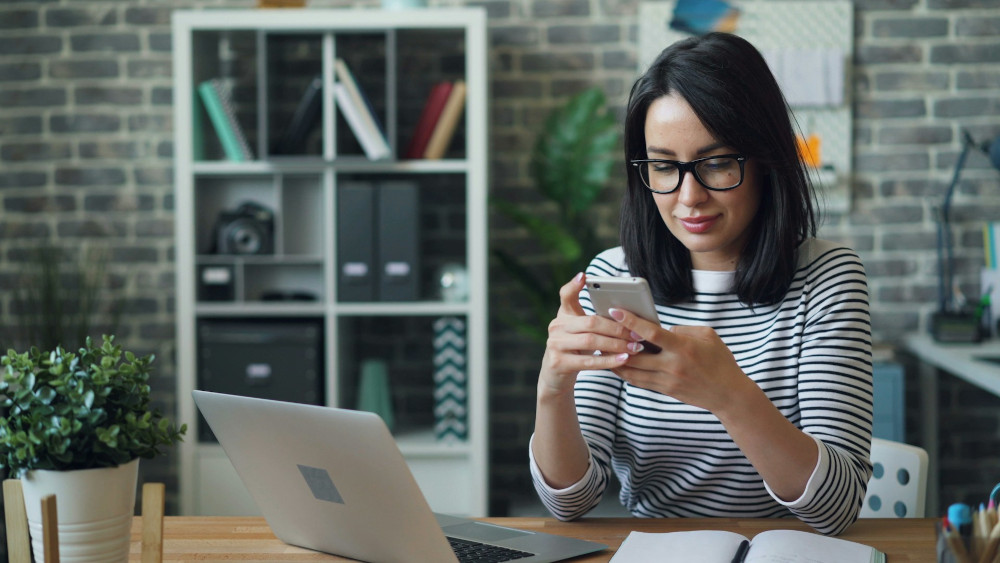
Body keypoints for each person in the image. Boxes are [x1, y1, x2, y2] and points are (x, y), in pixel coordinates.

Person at [529, 32, 873, 536]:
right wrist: (552, 389)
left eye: (716, 163)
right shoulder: (614, 276)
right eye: (665, 166)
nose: (689, 196)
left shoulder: (827, 277)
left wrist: (729, 395)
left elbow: (837, 508)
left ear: (765, 161)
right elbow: (570, 501)